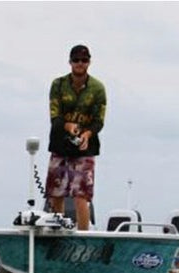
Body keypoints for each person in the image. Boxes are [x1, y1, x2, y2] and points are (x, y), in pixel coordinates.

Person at [45, 44, 106, 230]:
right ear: (70, 62)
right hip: (60, 145)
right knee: (56, 193)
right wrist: (67, 126)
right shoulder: (58, 84)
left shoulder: (98, 88)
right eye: (76, 60)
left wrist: (87, 134)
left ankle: (83, 236)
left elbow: (99, 121)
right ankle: (57, 231)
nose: (80, 63)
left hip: (84, 148)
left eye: (84, 60)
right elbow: (54, 116)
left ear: (89, 62)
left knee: (82, 195)